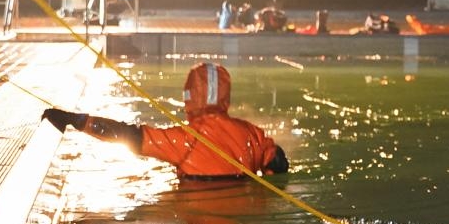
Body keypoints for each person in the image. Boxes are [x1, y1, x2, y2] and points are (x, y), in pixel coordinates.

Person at [43, 61, 288, 179]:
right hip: (242, 216)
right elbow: (277, 162)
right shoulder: (251, 134)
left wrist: (77, 120)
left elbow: (125, 135)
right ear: (226, 95)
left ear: (190, 96)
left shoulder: (183, 141)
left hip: (195, 210)